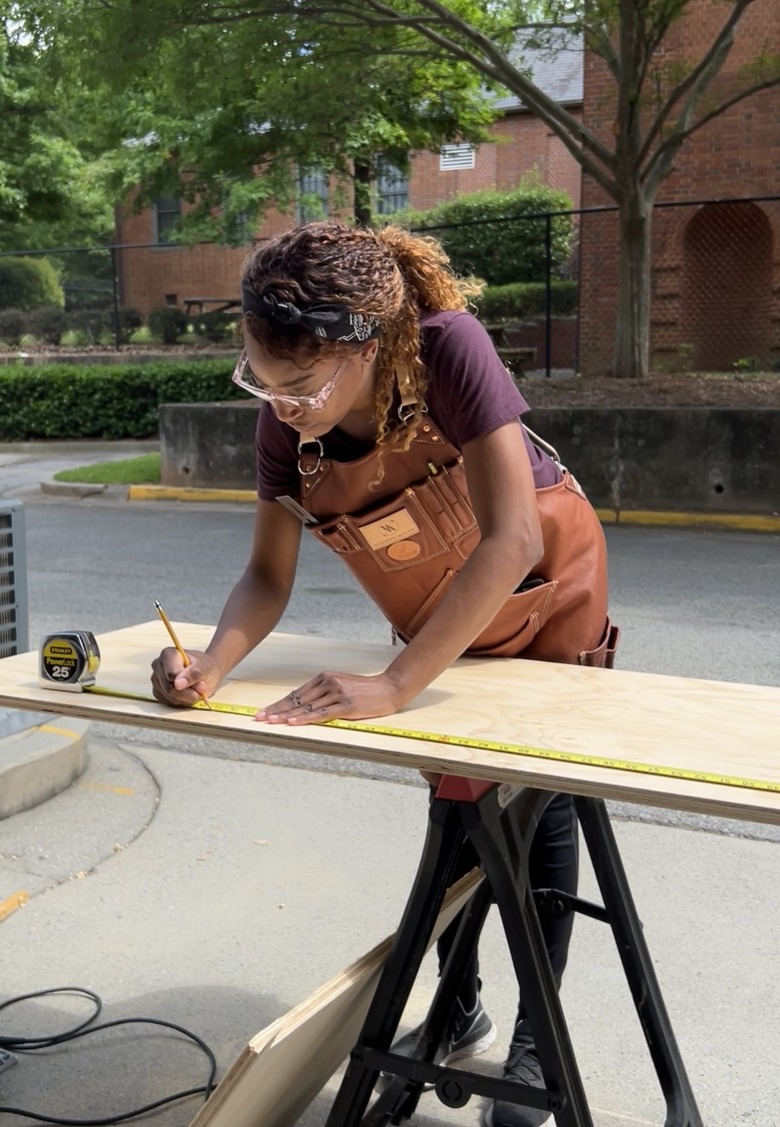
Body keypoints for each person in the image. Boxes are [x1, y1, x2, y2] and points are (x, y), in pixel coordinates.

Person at [151, 219, 617, 1127]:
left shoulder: (449, 349)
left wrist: (398, 684)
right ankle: (454, 1005)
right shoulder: (290, 426)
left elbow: (512, 536)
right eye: (262, 379)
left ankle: (536, 1036)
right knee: (456, 807)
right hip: (439, 621)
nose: (282, 403)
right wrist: (207, 662)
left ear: (369, 344)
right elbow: (265, 577)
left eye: (302, 382)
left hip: (548, 592)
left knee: (537, 802)